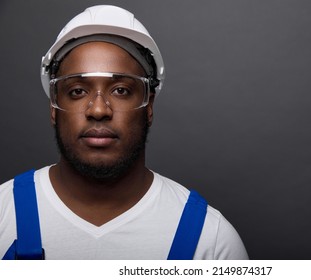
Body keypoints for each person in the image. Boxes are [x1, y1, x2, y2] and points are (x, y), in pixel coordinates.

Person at [0, 5, 248, 260]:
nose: (98, 109)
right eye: (77, 91)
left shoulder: (211, 242)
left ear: (149, 106)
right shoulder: (3, 217)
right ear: (54, 106)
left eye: (120, 90)